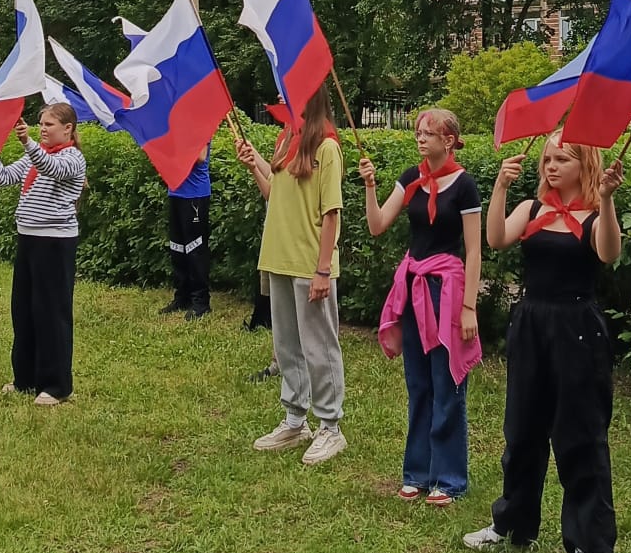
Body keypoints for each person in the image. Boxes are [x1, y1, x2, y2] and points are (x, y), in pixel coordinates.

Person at [462, 130, 623, 553]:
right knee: (522, 429)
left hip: (577, 328)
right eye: (547, 159)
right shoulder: (532, 209)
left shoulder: (593, 215)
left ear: (584, 164)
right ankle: (512, 525)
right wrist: (500, 188)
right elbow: (496, 239)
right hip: (531, 324)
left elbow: (608, 252)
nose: (550, 166)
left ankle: (587, 551)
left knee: (580, 437)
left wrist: (608, 201)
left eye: (562, 159)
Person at [363, 108, 482, 506]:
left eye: (427, 133)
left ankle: (448, 480)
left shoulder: (465, 186)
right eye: (417, 132)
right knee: (418, 383)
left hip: (445, 291)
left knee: (447, 383)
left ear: (448, 140)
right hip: (414, 288)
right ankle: (417, 472)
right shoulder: (411, 179)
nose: (420, 138)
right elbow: (378, 224)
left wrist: (469, 308)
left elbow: (473, 249)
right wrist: (370, 186)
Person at [235, 85, 347, 466]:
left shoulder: (327, 147)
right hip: (279, 259)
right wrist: (255, 165)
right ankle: (296, 420)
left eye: (292, 93)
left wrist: (321, 270)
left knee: (319, 347)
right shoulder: (286, 140)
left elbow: (331, 213)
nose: (285, 99)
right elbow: (274, 195)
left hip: (309, 264)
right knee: (287, 347)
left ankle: (330, 427)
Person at [0, 103, 87, 407]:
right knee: (24, 310)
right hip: (28, 239)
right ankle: (25, 378)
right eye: (40, 123)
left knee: (51, 313)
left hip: (55, 243)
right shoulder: (34, 156)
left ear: (67, 129)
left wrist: (27, 143)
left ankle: (55, 386)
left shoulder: (71, 158)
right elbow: (3, 178)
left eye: (49, 124)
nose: (42, 128)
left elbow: (51, 169)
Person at [162, 144, 212, 319]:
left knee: (195, 249)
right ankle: (182, 296)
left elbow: (200, 156)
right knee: (177, 247)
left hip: (195, 194)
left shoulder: (199, 125)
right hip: (176, 192)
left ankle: (201, 301)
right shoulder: (176, 126)